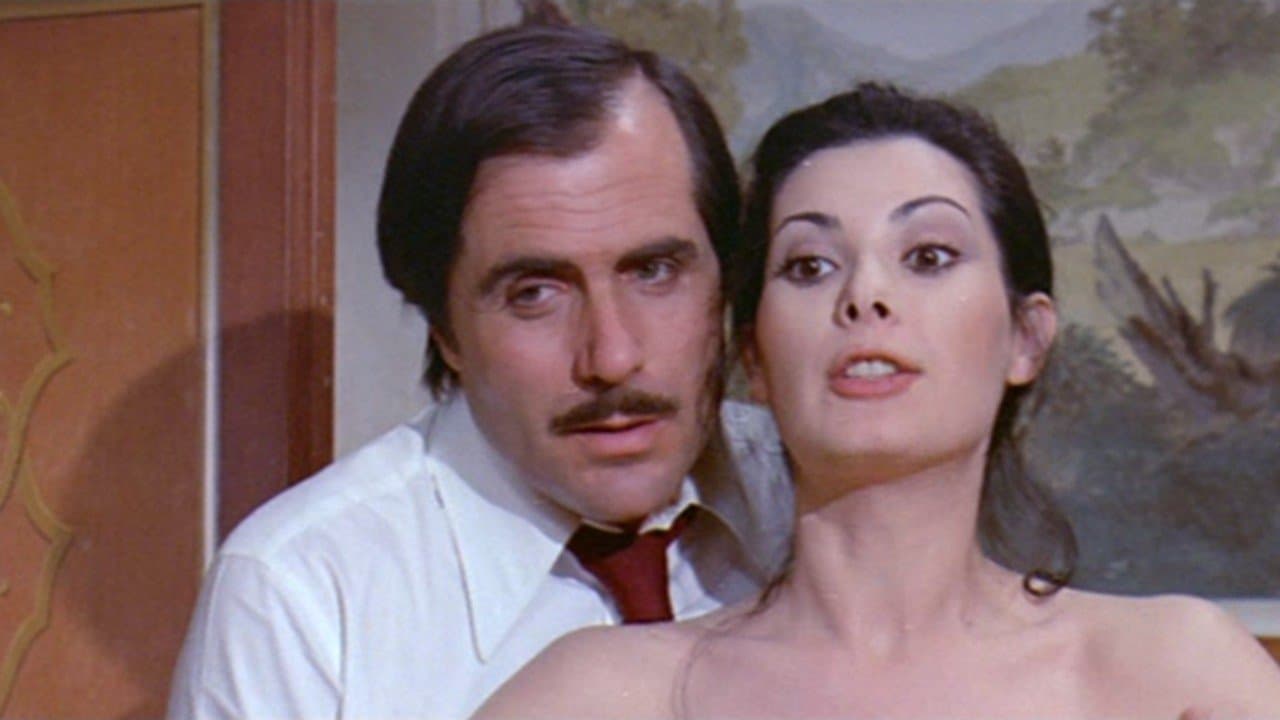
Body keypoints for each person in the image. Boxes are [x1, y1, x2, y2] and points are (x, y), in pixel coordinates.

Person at [473, 83, 1280, 719]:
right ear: (754, 356)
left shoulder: (1175, 672)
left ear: (1026, 338)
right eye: (810, 266)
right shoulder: (607, 694)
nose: (865, 295)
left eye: (928, 256)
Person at [166, 16, 792, 720]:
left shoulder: (813, 497)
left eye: (654, 272)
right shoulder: (300, 596)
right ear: (446, 331)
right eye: (535, 294)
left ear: (725, 285)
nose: (612, 357)